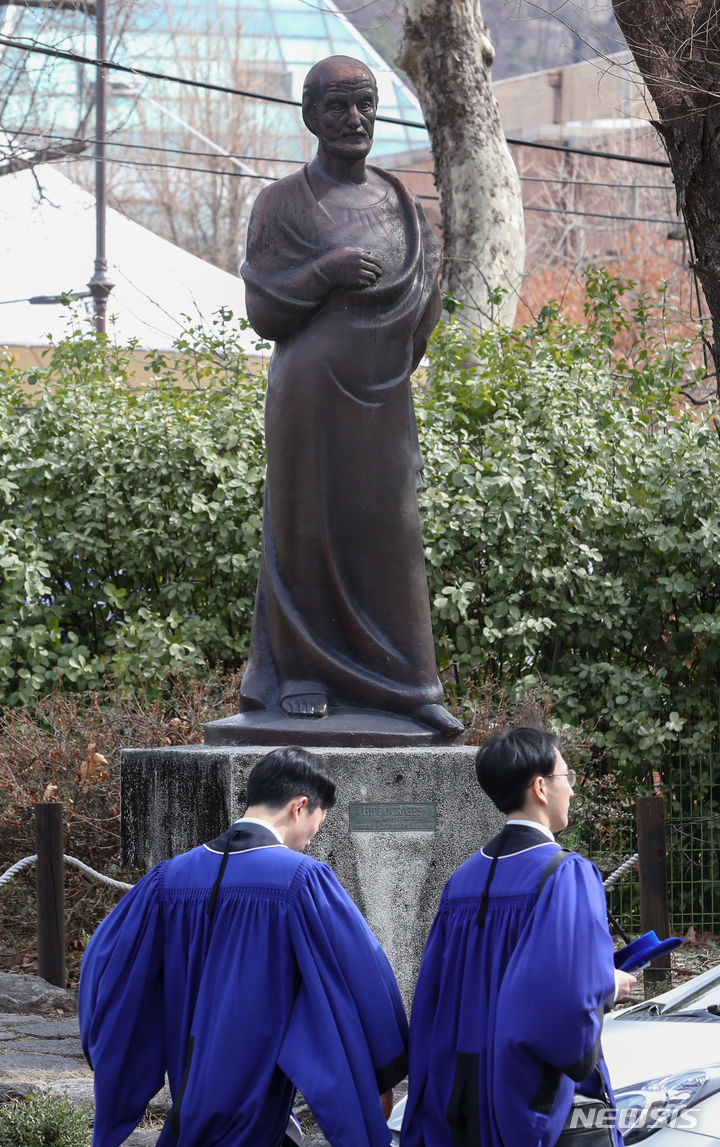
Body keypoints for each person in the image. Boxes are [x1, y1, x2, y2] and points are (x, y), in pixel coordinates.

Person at [239, 56, 462, 738]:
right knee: (307, 530)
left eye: (364, 104)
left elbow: (424, 304)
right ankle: (303, 672)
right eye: (336, 107)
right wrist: (322, 272)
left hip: (383, 399)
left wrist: (386, 358)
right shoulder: (280, 203)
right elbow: (263, 306)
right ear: (310, 115)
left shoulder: (403, 204)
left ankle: (411, 684)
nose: (353, 119)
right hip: (308, 401)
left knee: (391, 534)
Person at [79, 747, 408, 1147]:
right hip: (257, 1088)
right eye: (318, 823)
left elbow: (106, 959)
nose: (311, 837)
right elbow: (361, 974)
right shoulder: (301, 880)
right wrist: (378, 1074)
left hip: (188, 1079)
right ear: (300, 807)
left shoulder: (169, 878)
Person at [401, 726, 635, 1147]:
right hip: (531, 1103)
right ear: (541, 786)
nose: (573, 791)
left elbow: (433, 999)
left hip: (458, 1095)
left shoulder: (461, 880)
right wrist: (607, 986)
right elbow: (567, 1010)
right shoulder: (567, 873)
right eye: (568, 778)